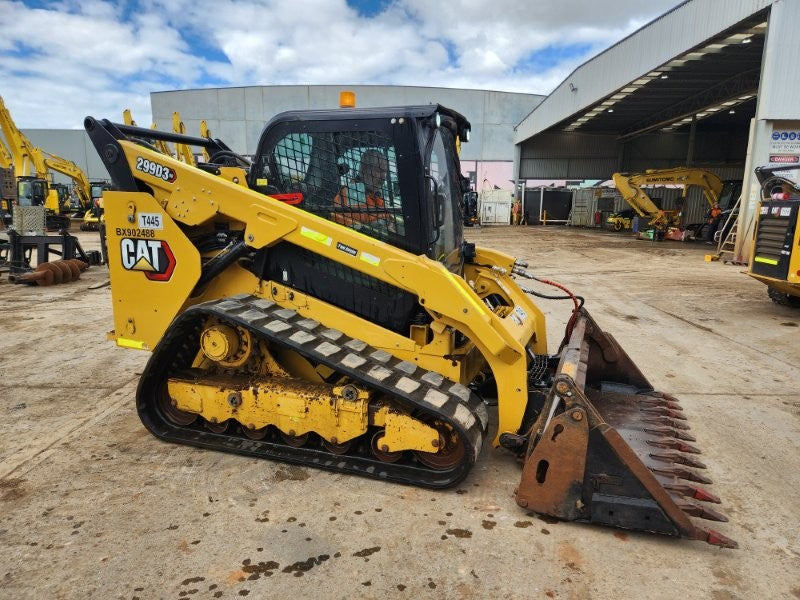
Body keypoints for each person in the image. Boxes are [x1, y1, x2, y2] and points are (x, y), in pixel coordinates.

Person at [332, 149, 394, 231]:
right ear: (364, 169)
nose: (383, 177)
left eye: (385, 172)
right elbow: (359, 230)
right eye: (379, 171)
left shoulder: (374, 195)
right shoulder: (352, 194)